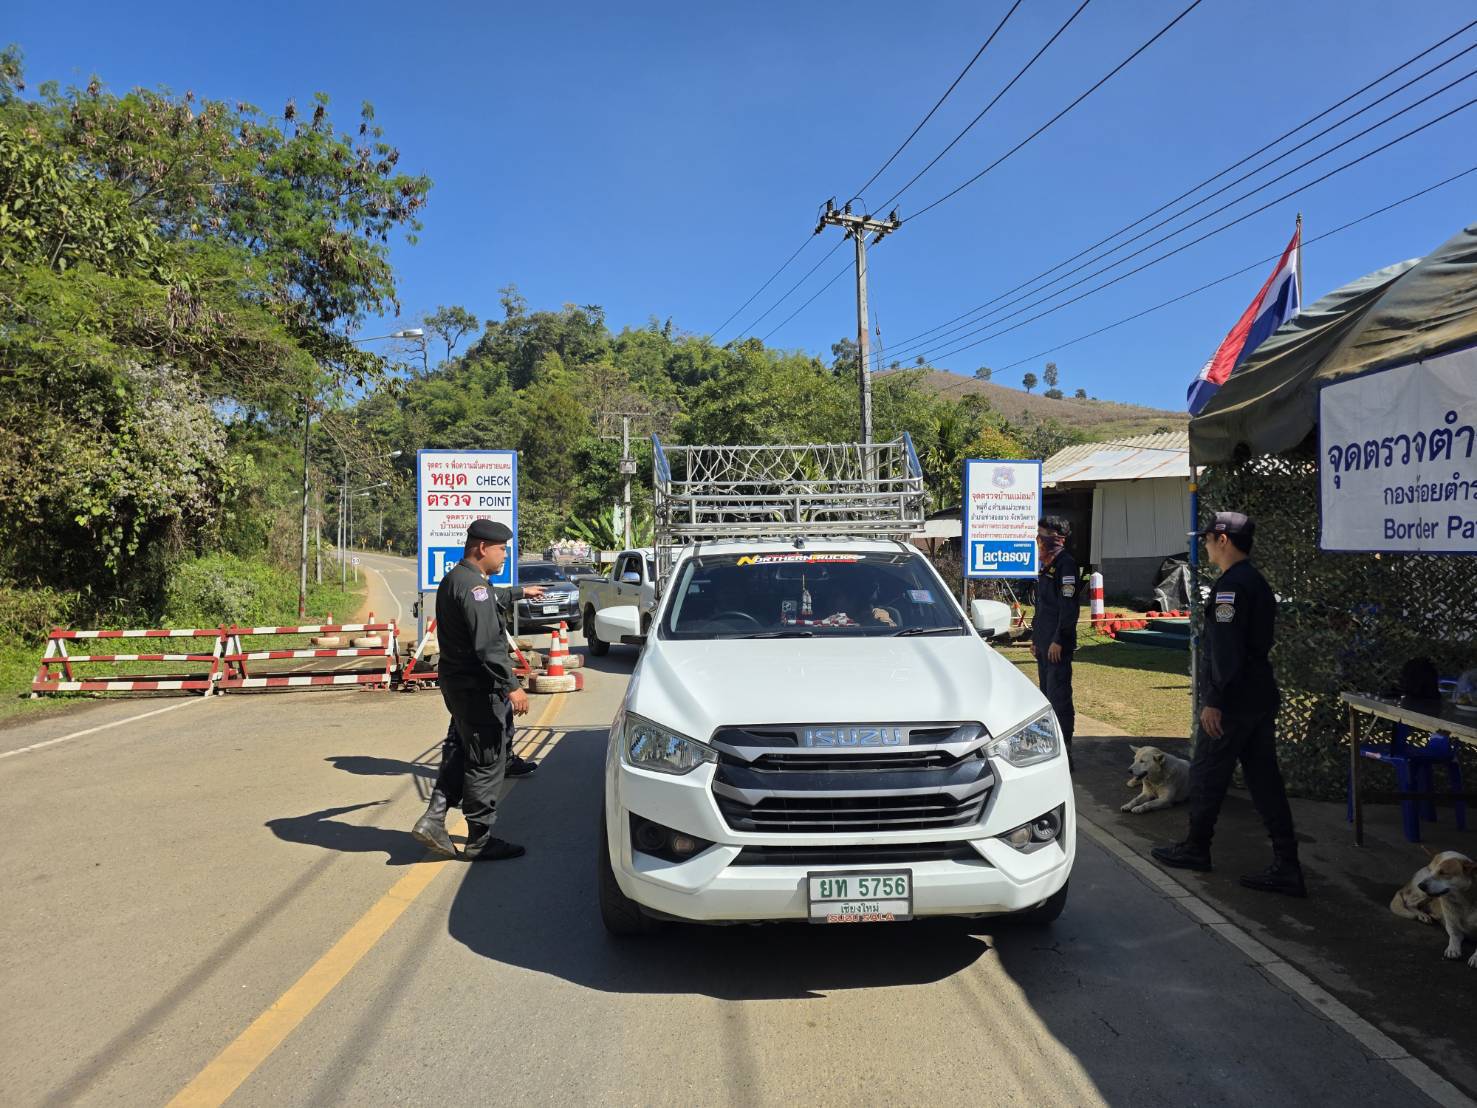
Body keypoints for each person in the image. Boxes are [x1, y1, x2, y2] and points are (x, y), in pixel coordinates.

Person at [1152, 512, 1305, 897]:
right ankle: (1287, 863)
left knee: (1207, 773)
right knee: (1264, 781)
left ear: (1223, 540)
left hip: (1233, 702)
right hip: (1258, 697)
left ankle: (1196, 847)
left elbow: (1227, 650)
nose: (1204, 545)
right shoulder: (1254, 581)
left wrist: (1214, 700)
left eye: (1207, 539)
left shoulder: (1231, 588)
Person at [410, 519, 545, 861]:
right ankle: (479, 841)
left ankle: (434, 819)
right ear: (482, 548)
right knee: (487, 760)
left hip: (458, 685)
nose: (505, 556)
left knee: (462, 749)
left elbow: (491, 599)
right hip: (478, 688)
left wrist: (521, 592)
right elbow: (488, 647)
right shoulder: (475, 589)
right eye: (501, 549)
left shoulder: (457, 579)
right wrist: (513, 686)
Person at [1031, 516, 1079, 769]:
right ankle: (1048, 748)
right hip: (1044, 643)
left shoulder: (1065, 564)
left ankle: (1065, 752)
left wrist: (1059, 640)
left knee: (1059, 698)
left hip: (1057, 646)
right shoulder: (1047, 565)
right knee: (1046, 698)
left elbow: (1068, 608)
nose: (1039, 539)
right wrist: (1036, 638)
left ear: (1058, 537)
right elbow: (1043, 607)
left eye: (1043, 535)